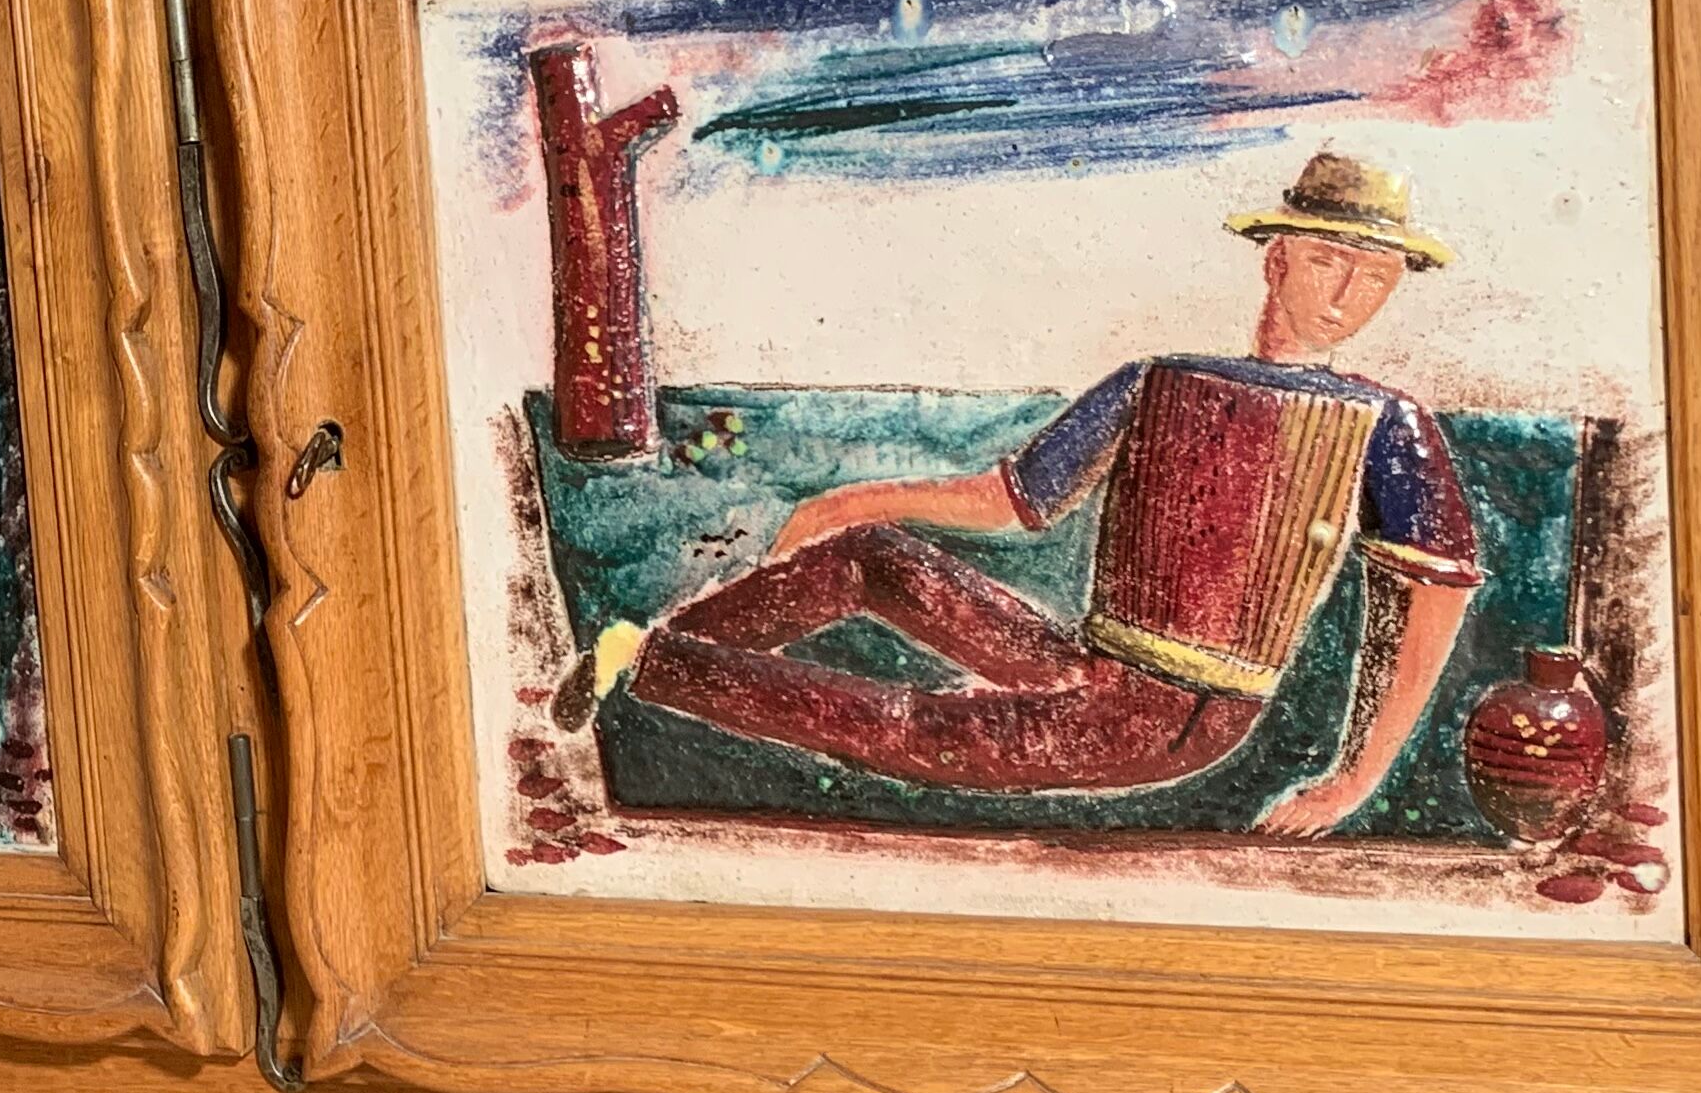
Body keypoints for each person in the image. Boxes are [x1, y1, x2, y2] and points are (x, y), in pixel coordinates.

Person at [560, 149, 1481, 836]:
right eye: (1328, 262)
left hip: (1177, 717)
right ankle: (668, 657)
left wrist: (1352, 781)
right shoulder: (1155, 378)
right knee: (872, 560)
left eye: (1376, 278)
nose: (1348, 293)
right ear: (1275, 259)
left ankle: (644, 665)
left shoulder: (1389, 425)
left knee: (911, 724)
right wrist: (855, 503)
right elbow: (1011, 501)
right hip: (1090, 661)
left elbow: (1427, 606)